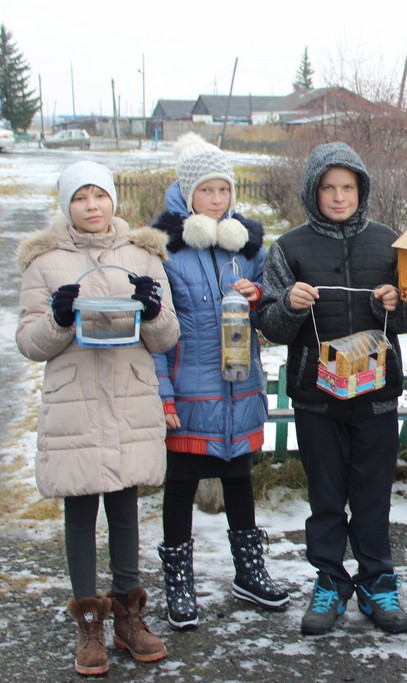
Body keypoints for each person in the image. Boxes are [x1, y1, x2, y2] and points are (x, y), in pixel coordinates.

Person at [15, 161, 179, 676]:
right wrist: (58, 319)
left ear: (113, 200)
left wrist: (153, 310)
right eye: (80, 197)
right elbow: (29, 343)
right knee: (81, 509)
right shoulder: (44, 262)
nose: (92, 206)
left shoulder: (144, 255)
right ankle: (89, 623)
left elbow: (167, 337)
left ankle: (129, 617)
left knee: (126, 505)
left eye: (99, 195)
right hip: (76, 401)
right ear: (67, 205)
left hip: (128, 398)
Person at [258, 141, 407, 636]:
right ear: (313, 191)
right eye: (328, 187)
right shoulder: (289, 248)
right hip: (316, 399)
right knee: (327, 499)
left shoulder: (390, 243)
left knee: (373, 498)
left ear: (361, 190)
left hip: (376, 396)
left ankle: (377, 583)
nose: (338, 196)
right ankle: (330, 582)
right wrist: (289, 305)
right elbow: (271, 325)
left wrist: (395, 303)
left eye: (347, 187)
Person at [151, 133, 289, 631]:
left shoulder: (245, 246)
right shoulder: (165, 249)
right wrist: (164, 395)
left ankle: (249, 572)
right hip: (191, 390)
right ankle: (179, 582)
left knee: (239, 478)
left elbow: (271, 301)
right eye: (206, 190)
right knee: (181, 484)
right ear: (187, 194)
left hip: (240, 386)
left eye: (223, 190)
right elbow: (155, 332)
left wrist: (258, 296)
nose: (216, 199)